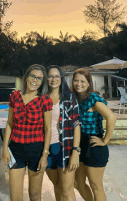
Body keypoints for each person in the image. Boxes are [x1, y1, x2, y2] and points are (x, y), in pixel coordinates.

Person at [2, 64, 53, 201]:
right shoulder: (15, 96)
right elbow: (9, 123)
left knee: (35, 195)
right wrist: (5, 148)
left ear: (43, 82)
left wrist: (45, 155)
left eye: (39, 78)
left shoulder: (45, 100)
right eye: (32, 76)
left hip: (36, 151)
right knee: (15, 196)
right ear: (26, 77)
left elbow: (48, 130)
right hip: (16, 150)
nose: (35, 80)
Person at [72, 68, 116, 201]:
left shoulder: (93, 99)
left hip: (93, 144)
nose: (79, 84)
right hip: (79, 144)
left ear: (89, 83)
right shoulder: (75, 99)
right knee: (78, 183)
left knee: (96, 185)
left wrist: (105, 140)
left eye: (82, 81)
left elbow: (111, 118)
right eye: (76, 80)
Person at [45, 65, 81, 201]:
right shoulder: (42, 98)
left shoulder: (69, 99)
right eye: (50, 76)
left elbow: (77, 125)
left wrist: (75, 151)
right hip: (46, 149)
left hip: (64, 148)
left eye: (56, 76)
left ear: (61, 78)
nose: (53, 79)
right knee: (57, 185)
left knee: (67, 190)